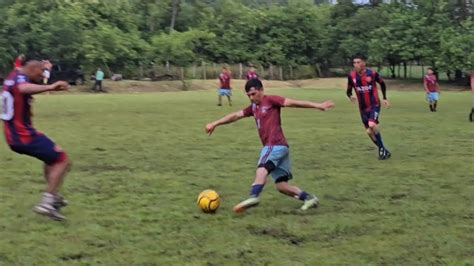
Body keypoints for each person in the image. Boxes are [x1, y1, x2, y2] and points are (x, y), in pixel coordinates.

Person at [205, 79, 334, 213]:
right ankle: (309, 198)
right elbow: (235, 116)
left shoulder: (271, 100)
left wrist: (318, 105)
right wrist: (215, 123)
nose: (251, 97)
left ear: (261, 90)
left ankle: (254, 196)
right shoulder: (253, 108)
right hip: (281, 148)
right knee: (281, 186)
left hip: (275, 145)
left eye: (254, 94)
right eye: (248, 95)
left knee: (262, 168)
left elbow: (294, 103)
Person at [1, 60, 71, 221]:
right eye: (40, 74)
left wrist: (46, 69)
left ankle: (53, 197)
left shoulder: (15, 74)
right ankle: (47, 202)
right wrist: (50, 87)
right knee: (63, 160)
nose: (42, 78)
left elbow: (29, 78)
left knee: (51, 159)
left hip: (15, 135)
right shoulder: (20, 81)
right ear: (32, 69)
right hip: (23, 135)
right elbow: (23, 88)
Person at [346, 55, 391, 160]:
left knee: (371, 124)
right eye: (354, 62)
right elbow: (348, 90)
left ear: (363, 63)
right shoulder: (351, 76)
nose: (356, 64)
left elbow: (382, 83)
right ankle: (384, 149)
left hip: (374, 104)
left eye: (358, 62)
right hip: (362, 108)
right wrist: (350, 95)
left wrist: (384, 98)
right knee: (369, 132)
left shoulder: (372, 73)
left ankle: (381, 151)